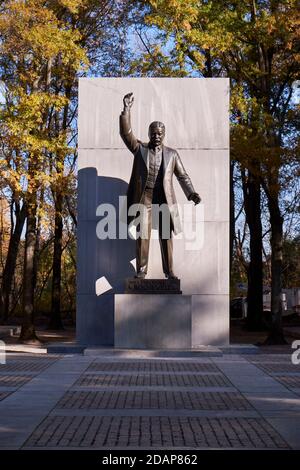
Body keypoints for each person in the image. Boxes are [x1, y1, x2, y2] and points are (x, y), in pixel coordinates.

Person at [120, 92, 201, 279]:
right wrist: (126, 109)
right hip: (145, 197)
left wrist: (191, 193)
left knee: (166, 236)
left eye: (160, 133)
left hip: (164, 198)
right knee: (143, 235)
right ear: (149, 134)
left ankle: (169, 271)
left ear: (164, 135)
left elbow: (183, 176)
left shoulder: (172, 154)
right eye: (153, 133)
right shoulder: (140, 149)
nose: (156, 136)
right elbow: (126, 134)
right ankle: (141, 270)